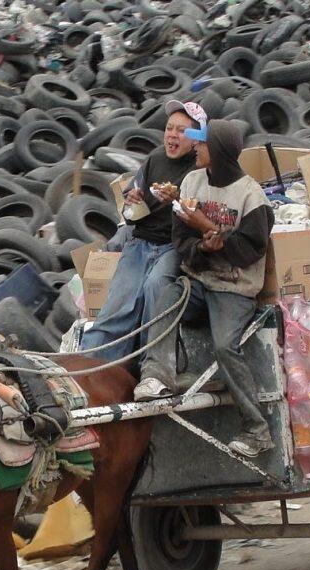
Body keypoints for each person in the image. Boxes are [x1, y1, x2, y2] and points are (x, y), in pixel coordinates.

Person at [134, 119, 275, 457]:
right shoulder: (193, 182)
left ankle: (257, 430)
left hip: (234, 287)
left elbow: (251, 251)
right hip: (200, 279)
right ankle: (157, 377)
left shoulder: (251, 196)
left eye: (202, 144)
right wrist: (201, 249)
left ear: (221, 153)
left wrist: (216, 238)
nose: (195, 147)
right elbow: (180, 239)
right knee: (169, 297)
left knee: (226, 346)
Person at [78, 101, 207, 363]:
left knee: (155, 287)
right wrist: (133, 200)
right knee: (117, 306)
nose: (172, 135)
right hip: (141, 241)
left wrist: (179, 199)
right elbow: (129, 209)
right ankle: (88, 363)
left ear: (197, 138)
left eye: (181, 131)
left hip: (174, 246)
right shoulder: (155, 159)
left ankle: (149, 366)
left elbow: (202, 215)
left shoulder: (200, 169)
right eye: (169, 128)